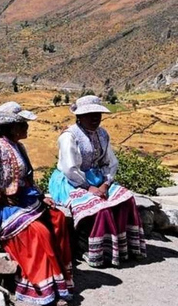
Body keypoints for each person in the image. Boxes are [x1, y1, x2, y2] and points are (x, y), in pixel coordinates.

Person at [0, 102, 74, 306]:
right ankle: (40, 288)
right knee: (37, 232)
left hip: (21, 199)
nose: (26, 127)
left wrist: (40, 196)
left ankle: (59, 279)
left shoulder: (18, 146)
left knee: (57, 218)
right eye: (23, 124)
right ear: (11, 126)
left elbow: (26, 177)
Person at [48, 95, 146, 267]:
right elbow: (69, 168)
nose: (95, 118)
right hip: (70, 181)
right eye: (89, 114)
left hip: (98, 179)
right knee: (98, 206)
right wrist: (89, 187)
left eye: (98, 114)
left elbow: (110, 162)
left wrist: (106, 183)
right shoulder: (69, 136)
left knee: (126, 198)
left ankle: (122, 248)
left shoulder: (102, 134)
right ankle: (90, 249)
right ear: (79, 116)